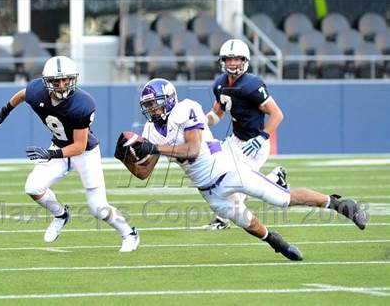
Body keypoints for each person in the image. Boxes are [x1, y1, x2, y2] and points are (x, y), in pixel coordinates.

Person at [115, 78, 367, 261]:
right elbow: (143, 173)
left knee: (281, 199)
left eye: (155, 104)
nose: (152, 110)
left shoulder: (186, 109)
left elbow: (192, 150)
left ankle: (343, 205)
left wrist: (154, 148)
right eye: (147, 105)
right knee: (245, 221)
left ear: (169, 100)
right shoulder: (150, 130)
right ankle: (277, 243)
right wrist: (125, 158)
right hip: (206, 189)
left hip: (227, 170)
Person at [0, 55, 139, 252]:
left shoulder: (82, 103)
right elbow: (22, 94)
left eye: (66, 80)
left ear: (73, 79)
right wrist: (5, 110)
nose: (61, 85)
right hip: (59, 146)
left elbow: (79, 145)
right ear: (46, 82)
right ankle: (61, 215)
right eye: (56, 81)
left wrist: (51, 154)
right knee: (33, 187)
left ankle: (130, 234)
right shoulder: (37, 91)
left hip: (85, 152)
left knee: (97, 207)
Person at [204, 38, 288, 230]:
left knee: (237, 185)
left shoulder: (252, 84)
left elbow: (277, 114)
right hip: (234, 141)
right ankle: (276, 178)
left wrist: (262, 137)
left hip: (254, 144)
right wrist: (203, 120)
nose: (232, 63)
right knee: (216, 174)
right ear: (222, 61)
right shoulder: (219, 84)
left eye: (237, 59)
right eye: (228, 59)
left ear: (245, 61)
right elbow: (218, 113)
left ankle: (222, 219)